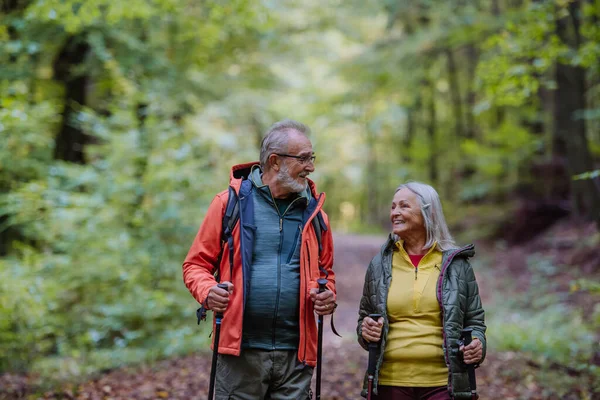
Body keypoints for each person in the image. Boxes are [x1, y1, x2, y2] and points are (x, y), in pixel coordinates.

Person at [183, 119, 337, 399]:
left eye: (311, 158)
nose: (311, 167)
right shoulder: (229, 204)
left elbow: (326, 272)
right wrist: (208, 291)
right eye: (304, 158)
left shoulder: (316, 216)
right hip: (240, 354)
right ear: (275, 161)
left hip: (296, 357)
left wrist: (327, 295)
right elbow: (195, 265)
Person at [357, 182, 486, 400]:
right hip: (389, 381)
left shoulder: (457, 265)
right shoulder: (379, 264)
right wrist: (365, 330)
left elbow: (474, 322)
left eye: (404, 206)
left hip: (443, 384)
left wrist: (477, 343)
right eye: (393, 207)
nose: (395, 212)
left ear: (428, 211)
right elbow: (364, 321)